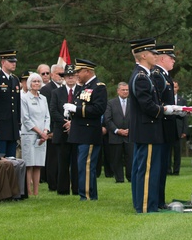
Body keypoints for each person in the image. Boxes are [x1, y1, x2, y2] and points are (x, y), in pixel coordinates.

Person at [128, 39, 166, 213]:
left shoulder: (145, 75)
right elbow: (148, 106)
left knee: (146, 168)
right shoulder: (141, 77)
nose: (155, 56)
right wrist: (164, 110)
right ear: (143, 55)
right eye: (152, 53)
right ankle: (144, 206)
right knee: (147, 170)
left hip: (147, 129)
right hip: (147, 129)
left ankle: (146, 204)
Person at [64, 58, 107, 201]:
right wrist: (70, 111)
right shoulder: (83, 87)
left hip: (89, 132)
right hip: (81, 132)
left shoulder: (98, 86)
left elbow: (98, 109)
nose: (77, 75)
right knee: (83, 165)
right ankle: (89, 194)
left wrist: (76, 109)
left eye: (79, 72)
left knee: (86, 166)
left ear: (87, 71)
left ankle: (87, 195)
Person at [151, 43, 177, 208]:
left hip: (168, 125)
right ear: (162, 58)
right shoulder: (157, 75)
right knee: (158, 167)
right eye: (171, 58)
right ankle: (157, 200)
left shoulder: (165, 76)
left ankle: (160, 199)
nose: (174, 61)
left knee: (163, 166)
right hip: (161, 126)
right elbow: (158, 101)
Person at [48, 64, 78, 196]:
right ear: (64, 77)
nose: (70, 78)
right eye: (68, 76)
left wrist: (74, 123)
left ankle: (77, 188)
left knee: (77, 162)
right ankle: (63, 189)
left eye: (72, 76)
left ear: (76, 76)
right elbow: (53, 111)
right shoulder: (56, 92)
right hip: (61, 131)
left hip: (77, 131)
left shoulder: (82, 91)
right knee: (62, 162)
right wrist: (65, 122)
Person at [19, 73, 51, 196]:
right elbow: (26, 119)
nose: (37, 83)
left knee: (38, 163)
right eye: (34, 81)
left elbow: (47, 116)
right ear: (29, 84)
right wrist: (39, 132)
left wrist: (45, 131)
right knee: (29, 164)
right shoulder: (24, 98)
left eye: (38, 81)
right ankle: (29, 190)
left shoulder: (43, 98)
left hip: (43, 135)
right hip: (29, 134)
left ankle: (36, 192)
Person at [42, 63, 64, 190]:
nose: (61, 76)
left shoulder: (64, 88)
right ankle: (52, 183)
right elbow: (48, 111)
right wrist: (49, 130)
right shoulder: (46, 90)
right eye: (58, 74)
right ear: (51, 75)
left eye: (62, 74)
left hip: (63, 127)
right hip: (52, 128)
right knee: (52, 158)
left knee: (60, 157)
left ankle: (60, 181)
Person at [104, 82, 131, 183]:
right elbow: (107, 119)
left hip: (129, 135)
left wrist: (130, 130)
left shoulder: (132, 103)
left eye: (127, 90)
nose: (125, 92)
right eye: (123, 90)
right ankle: (119, 179)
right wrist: (117, 130)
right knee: (116, 158)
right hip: (115, 136)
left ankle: (131, 177)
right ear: (118, 91)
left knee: (130, 158)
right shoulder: (110, 103)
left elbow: (136, 119)